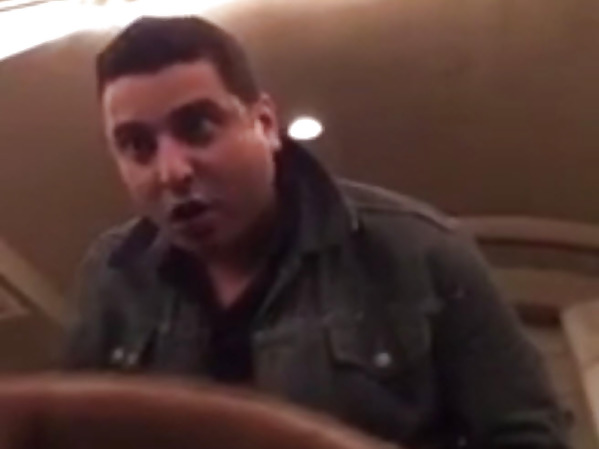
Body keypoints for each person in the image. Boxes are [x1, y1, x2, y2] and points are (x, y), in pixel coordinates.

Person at [65, 16, 568, 449]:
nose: (172, 171)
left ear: (265, 123)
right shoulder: (112, 279)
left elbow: (528, 436)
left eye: (198, 127)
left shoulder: (419, 253)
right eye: (138, 146)